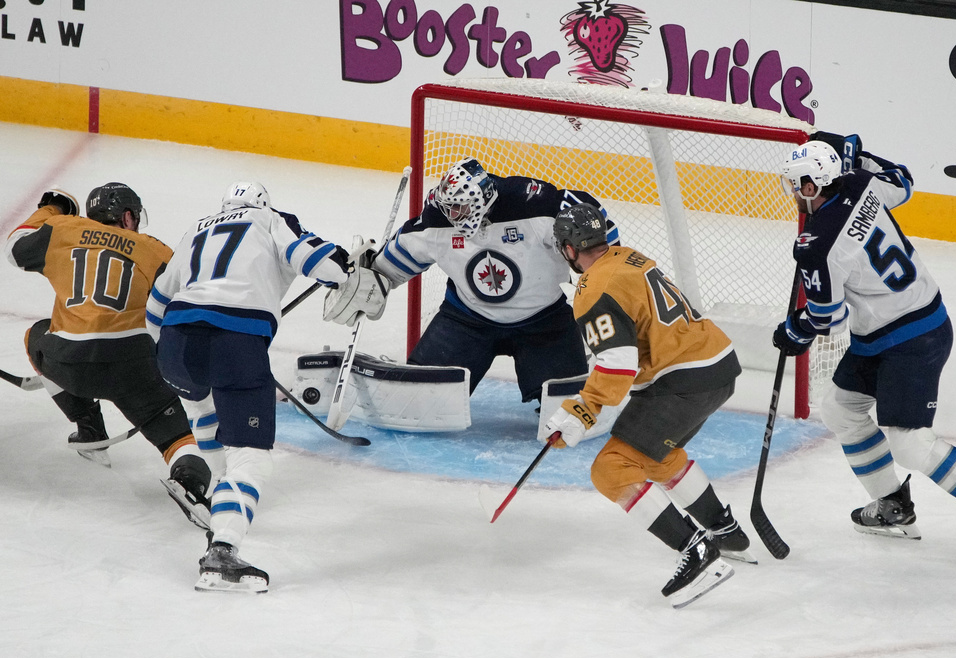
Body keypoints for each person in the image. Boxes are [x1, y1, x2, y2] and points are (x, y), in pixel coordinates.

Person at [773, 134, 956, 571]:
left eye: (799, 184)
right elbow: (904, 181)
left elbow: (827, 320)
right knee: (839, 407)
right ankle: (893, 505)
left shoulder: (817, 245)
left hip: (913, 339)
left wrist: (795, 329)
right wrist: (859, 157)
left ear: (813, 185)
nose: (795, 193)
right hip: (892, 328)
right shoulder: (860, 182)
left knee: (908, 441)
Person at [146, 181, 355, 593]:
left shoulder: (195, 229)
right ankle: (222, 551)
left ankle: (222, 504)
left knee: (204, 411)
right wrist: (348, 268)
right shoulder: (270, 219)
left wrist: (174, 350)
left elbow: (154, 309)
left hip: (174, 344)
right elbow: (321, 263)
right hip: (234, 343)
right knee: (252, 458)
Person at [541, 203, 751, 609]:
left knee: (611, 469)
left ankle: (698, 551)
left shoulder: (591, 289)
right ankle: (725, 530)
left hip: (684, 378)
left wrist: (582, 411)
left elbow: (618, 365)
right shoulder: (628, 256)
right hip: (718, 363)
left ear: (569, 248)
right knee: (655, 455)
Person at [4, 184, 213, 526]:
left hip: (66, 360)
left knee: (36, 335)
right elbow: (190, 303)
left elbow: (15, 248)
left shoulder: (63, 230)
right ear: (128, 216)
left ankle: (90, 430)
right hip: (130, 365)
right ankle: (191, 484)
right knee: (178, 438)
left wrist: (54, 207)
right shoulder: (153, 249)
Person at [369, 158, 620, 403]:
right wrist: (369, 279)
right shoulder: (437, 219)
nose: (453, 214)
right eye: (450, 207)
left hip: (546, 321)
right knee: (423, 397)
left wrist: (609, 273)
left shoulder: (535, 205)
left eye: (461, 207)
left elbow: (594, 224)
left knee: (565, 402)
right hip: (466, 320)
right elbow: (388, 267)